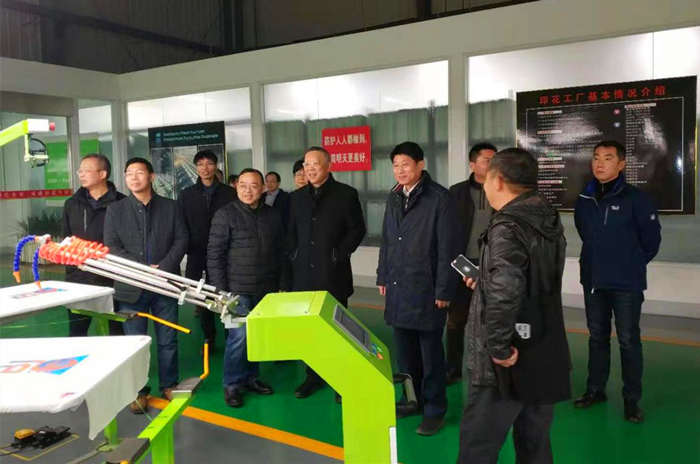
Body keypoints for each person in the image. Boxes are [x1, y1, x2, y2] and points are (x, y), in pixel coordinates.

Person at [457, 148, 571, 464]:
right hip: (542, 346)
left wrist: (498, 348)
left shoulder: (506, 226)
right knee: (535, 443)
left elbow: (506, 292)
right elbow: (529, 278)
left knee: (478, 446)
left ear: (498, 181)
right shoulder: (546, 217)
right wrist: (486, 279)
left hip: (506, 358)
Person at [573, 140, 661, 423]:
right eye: (596, 158)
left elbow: (651, 240)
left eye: (608, 158)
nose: (600, 163)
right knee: (597, 337)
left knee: (628, 340)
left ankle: (631, 399)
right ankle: (595, 389)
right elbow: (586, 234)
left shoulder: (636, 198)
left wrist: (630, 264)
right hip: (594, 280)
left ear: (621, 164)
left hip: (626, 283)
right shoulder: (584, 198)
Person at [377, 141, 459, 436]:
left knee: (431, 356)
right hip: (398, 285)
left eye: (406, 165)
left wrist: (444, 290)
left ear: (421, 165)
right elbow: (388, 240)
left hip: (427, 288)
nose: (400, 170)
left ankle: (435, 409)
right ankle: (412, 400)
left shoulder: (440, 198)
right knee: (405, 353)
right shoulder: (394, 196)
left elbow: (449, 248)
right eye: (396, 165)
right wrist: (383, 276)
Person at [104, 157, 188, 414]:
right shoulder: (116, 210)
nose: (134, 177)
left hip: (165, 285)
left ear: (151, 177)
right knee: (135, 342)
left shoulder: (171, 207)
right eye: (129, 173)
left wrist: (163, 267)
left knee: (168, 340)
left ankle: (169, 384)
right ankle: (138, 391)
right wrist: (143, 268)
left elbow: (182, 239)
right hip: (131, 287)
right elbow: (112, 247)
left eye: (139, 172)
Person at [288, 146, 366, 399]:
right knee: (310, 330)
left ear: (329, 165)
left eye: (315, 163)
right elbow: (290, 232)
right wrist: (293, 255)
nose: (310, 169)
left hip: (333, 273)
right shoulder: (296, 198)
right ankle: (313, 377)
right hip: (304, 275)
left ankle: (340, 378)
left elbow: (357, 229)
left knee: (338, 328)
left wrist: (339, 254)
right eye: (306, 164)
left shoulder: (346, 194)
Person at [208, 168, 288, 408]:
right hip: (236, 289)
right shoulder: (225, 215)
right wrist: (221, 291)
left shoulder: (273, 216)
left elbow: (282, 253)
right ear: (236, 187)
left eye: (253, 185)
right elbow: (215, 255)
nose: (248, 190)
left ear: (263, 189)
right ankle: (232, 384)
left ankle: (251, 377)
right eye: (243, 185)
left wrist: (282, 286)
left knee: (256, 336)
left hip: (266, 287)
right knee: (239, 337)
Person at [178, 150, 237, 355]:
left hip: (226, 254)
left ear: (216, 166)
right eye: (201, 164)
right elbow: (181, 224)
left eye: (209, 163)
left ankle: (230, 336)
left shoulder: (229, 193)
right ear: (196, 168)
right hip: (198, 254)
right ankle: (208, 337)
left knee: (226, 295)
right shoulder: (186, 195)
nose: (205, 168)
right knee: (201, 298)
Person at [446, 143, 496, 385]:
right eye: (487, 160)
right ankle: (453, 367)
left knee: (490, 320)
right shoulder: (456, 193)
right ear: (472, 164)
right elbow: (447, 231)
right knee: (456, 320)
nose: (492, 164)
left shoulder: (503, 189)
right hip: (462, 264)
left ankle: (488, 369)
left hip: (493, 265)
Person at [62, 154, 125, 336]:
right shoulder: (72, 204)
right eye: (80, 170)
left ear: (102, 174)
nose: (81, 174)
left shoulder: (122, 203)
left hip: (112, 277)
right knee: (77, 332)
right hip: (79, 277)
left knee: (116, 331)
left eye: (87, 170)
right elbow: (67, 239)